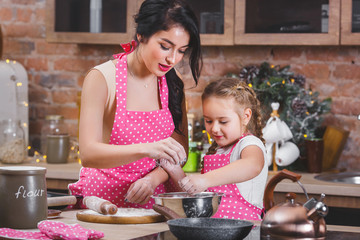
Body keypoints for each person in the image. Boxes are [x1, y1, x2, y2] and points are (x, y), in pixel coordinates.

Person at [69, 0, 202, 209]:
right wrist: (148, 149)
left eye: (181, 50)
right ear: (141, 35)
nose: (172, 59)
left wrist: (153, 179)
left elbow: (180, 152)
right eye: (165, 47)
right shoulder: (102, 78)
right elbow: (88, 154)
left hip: (156, 207)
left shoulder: (172, 83)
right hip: (103, 205)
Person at [179, 78, 268, 221]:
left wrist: (205, 180)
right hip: (212, 228)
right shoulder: (218, 150)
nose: (214, 128)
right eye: (208, 121)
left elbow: (253, 165)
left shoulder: (249, 144)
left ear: (245, 116)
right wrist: (172, 169)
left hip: (245, 231)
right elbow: (194, 188)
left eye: (223, 121)